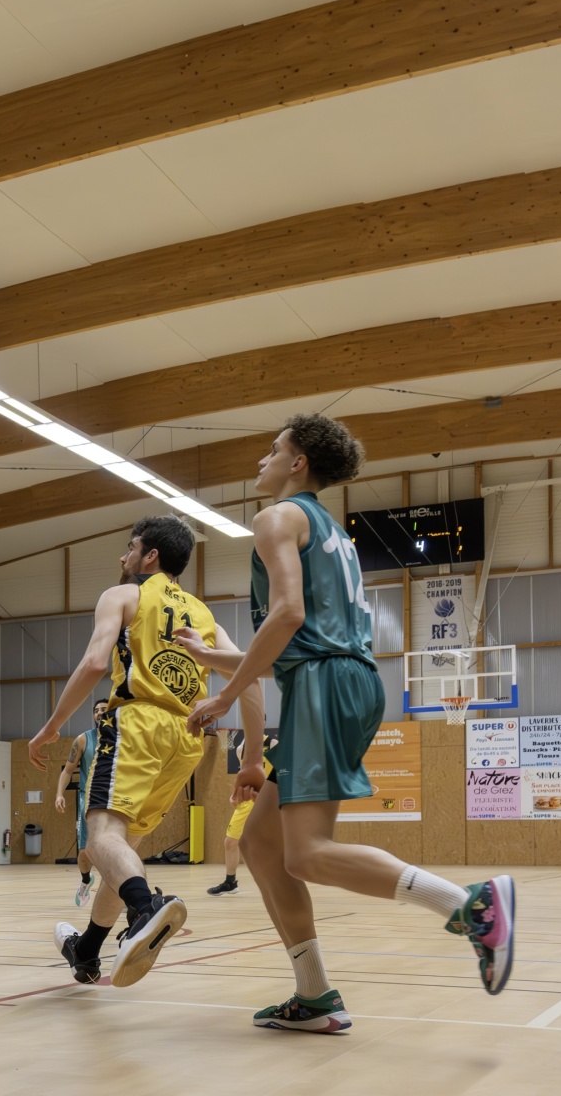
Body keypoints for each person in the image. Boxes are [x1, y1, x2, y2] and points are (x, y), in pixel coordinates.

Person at [175, 414, 515, 1029]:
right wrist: (211, 658)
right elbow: (293, 641)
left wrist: (226, 697)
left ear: (298, 462)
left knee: (306, 854)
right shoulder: (331, 532)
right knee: (260, 843)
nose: (262, 460)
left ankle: (472, 907)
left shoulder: (276, 519)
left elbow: (286, 617)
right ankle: (314, 996)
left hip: (323, 685)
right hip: (340, 678)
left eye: (272, 449)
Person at [32, 516, 257, 990]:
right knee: (121, 849)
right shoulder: (205, 616)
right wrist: (250, 751)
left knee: (100, 839)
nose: (123, 556)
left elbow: (95, 662)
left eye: (130, 547)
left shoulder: (123, 595)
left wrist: (51, 726)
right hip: (187, 738)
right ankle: (88, 949)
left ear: (150, 555)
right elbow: (251, 675)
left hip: (137, 723)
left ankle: (146, 908)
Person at [54, 697, 110, 907]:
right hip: (89, 800)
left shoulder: (123, 739)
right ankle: (86, 879)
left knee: (115, 848)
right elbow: (68, 771)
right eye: (96, 710)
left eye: (104, 709)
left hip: (115, 800)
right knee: (85, 851)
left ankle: (118, 891)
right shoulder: (83, 740)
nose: (100, 712)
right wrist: (59, 794)